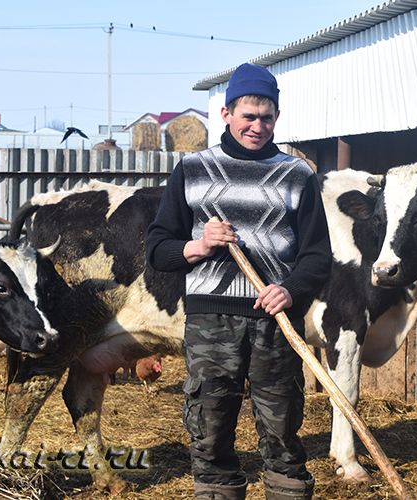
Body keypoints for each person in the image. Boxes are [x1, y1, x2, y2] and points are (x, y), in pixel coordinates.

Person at [146, 63, 332, 500]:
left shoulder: (297, 174)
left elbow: (317, 256)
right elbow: (157, 248)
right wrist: (199, 245)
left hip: (276, 319)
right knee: (209, 434)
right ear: (227, 113)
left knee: (283, 434)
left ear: (277, 118)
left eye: (267, 117)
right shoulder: (193, 169)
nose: (258, 126)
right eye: (249, 115)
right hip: (210, 320)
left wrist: (291, 289)